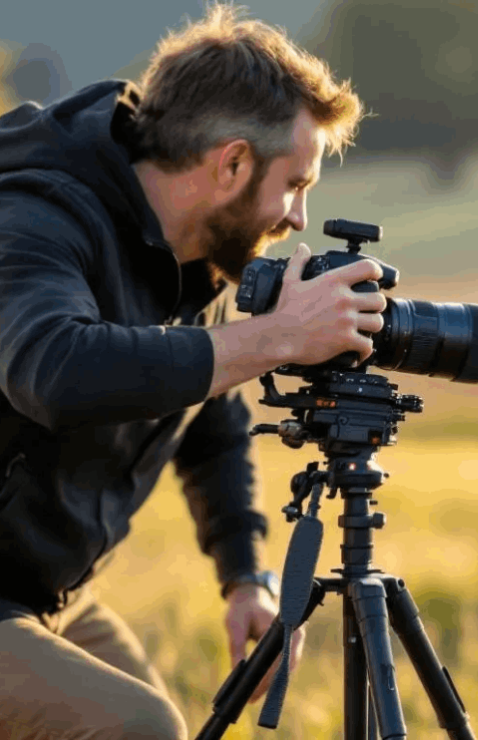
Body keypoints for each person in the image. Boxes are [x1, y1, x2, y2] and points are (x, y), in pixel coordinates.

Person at [0, 5, 387, 738]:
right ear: (231, 163)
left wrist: (246, 576)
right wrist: (277, 336)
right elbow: (54, 368)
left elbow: (214, 423)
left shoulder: (194, 264)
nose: (299, 218)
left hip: (43, 592)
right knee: (139, 726)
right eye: (295, 184)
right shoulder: (34, 217)